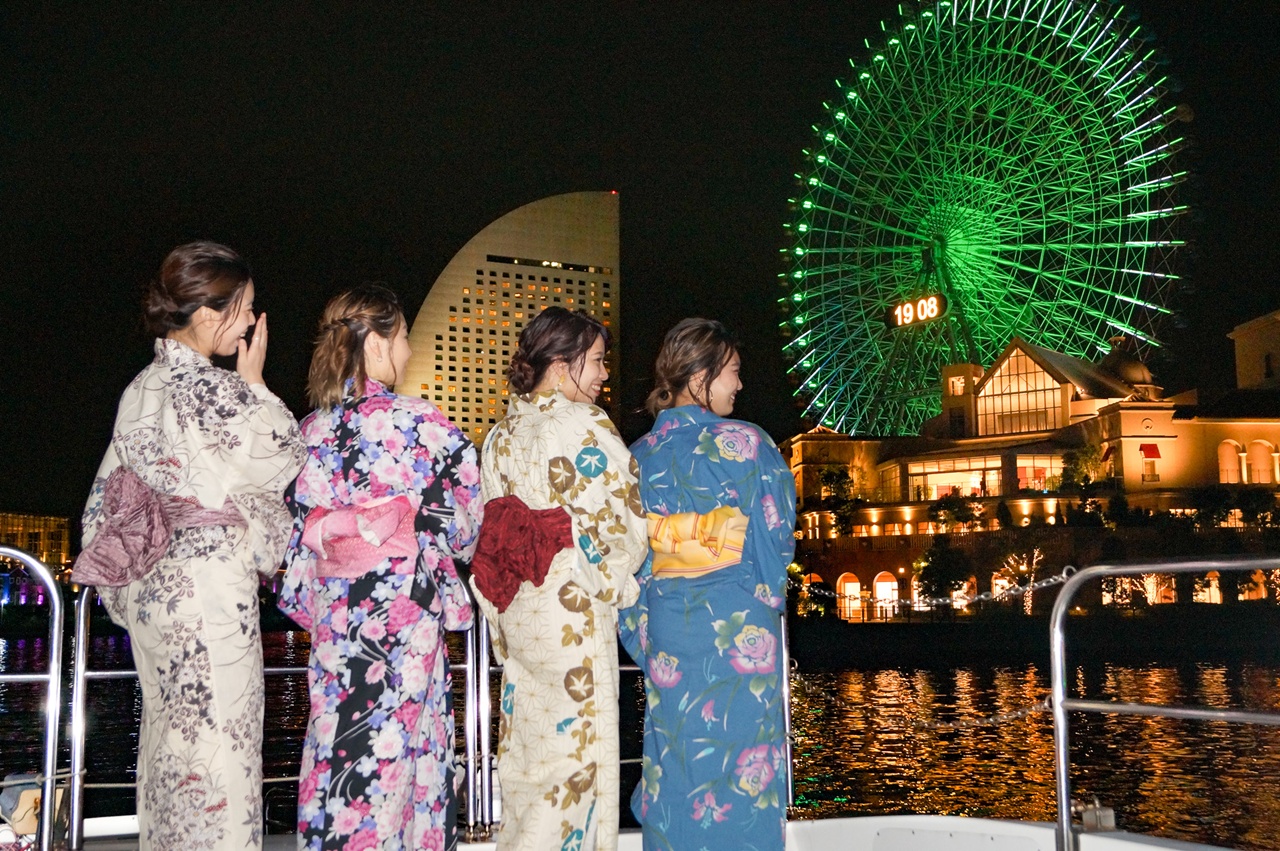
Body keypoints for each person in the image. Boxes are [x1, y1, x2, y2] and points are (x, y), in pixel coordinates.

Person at [74, 241, 305, 851]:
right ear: (208, 315)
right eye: (247, 309)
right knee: (223, 742)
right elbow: (280, 456)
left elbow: (106, 499)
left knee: (172, 740)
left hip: (156, 589)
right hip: (207, 589)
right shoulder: (212, 390)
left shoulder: (141, 388)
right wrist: (254, 385)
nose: (254, 322)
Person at [278, 284, 482, 851]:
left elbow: (294, 527)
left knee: (333, 737)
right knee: (398, 742)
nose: (411, 351)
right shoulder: (421, 425)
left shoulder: (308, 431)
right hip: (399, 608)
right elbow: (464, 516)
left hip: (335, 613)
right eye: (406, 337)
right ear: (376, 344)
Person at [468, 307, 647, 851]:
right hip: (570, 606)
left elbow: (492, 528)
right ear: (563, 364)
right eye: (595, 362)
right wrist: (621, 579)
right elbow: (623, 521)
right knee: (578, 758)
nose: (602, 376)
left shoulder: (500, 435)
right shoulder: (580, 424)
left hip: (522, 610)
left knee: (528, 752)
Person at [619, 318, 797, 851]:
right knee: (747, 766)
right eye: (733, 373)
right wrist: (762, 601)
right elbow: (775, 536)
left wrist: (646, 635)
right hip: (740, 630)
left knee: (676, 759)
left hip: (671, 634)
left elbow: (627, 562)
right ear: (701, 374)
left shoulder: (636, 457)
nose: (739, 386)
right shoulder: (748, 443)